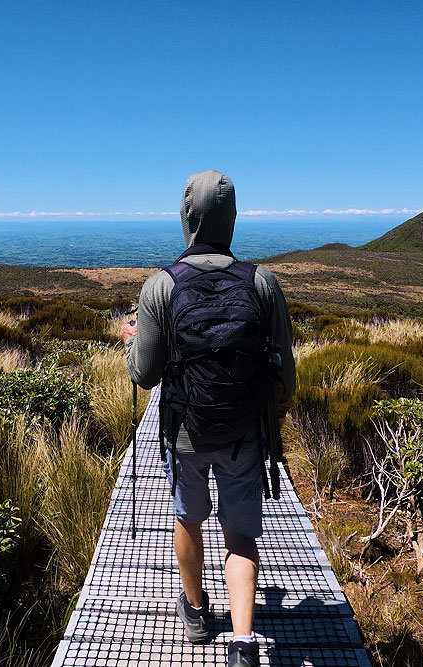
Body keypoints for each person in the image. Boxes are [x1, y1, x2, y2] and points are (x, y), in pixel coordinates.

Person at [123, 169, 296, 667]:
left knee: (188, 518)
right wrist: (272, 427)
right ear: (233, 220)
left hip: (184, 433)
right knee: (240, 533)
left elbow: (147, 375)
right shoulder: (263, 284)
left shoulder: (160, 286)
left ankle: (197, 613)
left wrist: (132, 343)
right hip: (245, 433)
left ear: (186, 218)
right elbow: (286, 375)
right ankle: (243, 642)